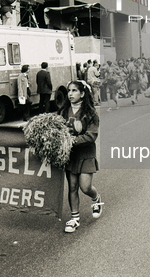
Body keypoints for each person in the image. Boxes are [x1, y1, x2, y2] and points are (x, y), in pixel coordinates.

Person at [58, 80, 103, 233]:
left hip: (85, 153)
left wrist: (71, 141)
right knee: (72, 186)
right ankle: (74, 218)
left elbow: (91, 136)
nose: (70, 94)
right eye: (69, 91)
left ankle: (96, 199)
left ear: (82, 94)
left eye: (74, 91)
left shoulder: (90, 113)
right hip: (70, 155)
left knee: (85, 187)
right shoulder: (63, 111)